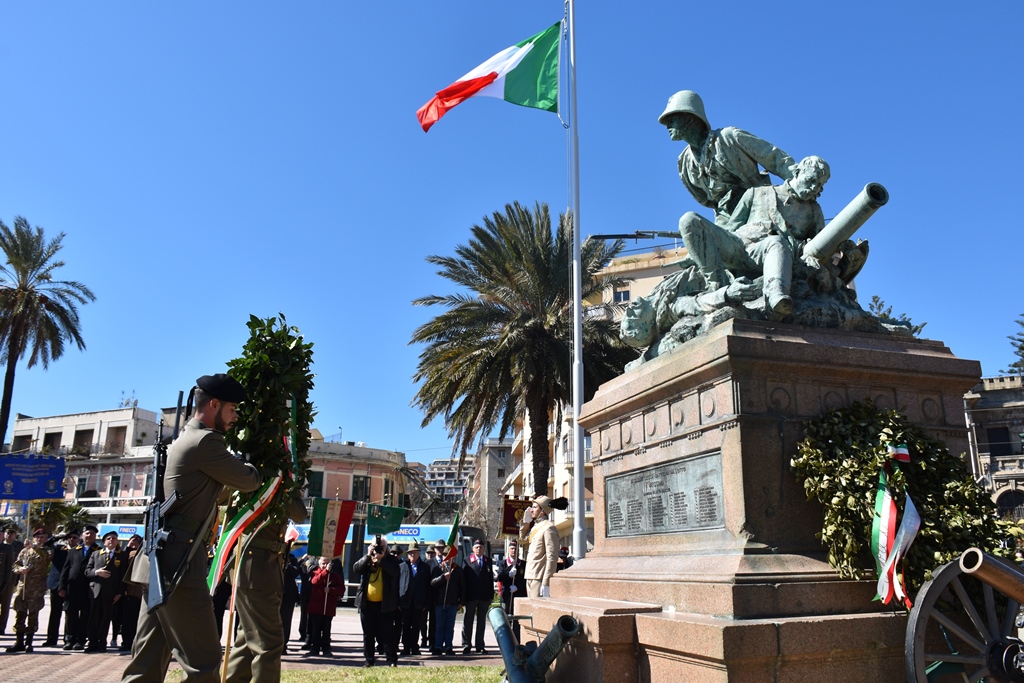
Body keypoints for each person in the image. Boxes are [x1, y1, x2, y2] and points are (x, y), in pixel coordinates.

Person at [122, 373, 262, 683]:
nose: (235, 417)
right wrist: (253, 463)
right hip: (180, 566)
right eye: (232, 409)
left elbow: (218, 493)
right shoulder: (206, 442)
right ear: (214, 404)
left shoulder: (186, 439)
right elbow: (249, 480)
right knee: (204, 664)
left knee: (145, 664)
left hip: (161, 560)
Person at [678, 156, 830, 316]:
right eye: (811, 180)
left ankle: (776, 295)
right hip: (738, 246)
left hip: (768, 254)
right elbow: (730, 228)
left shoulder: (814, 212)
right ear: (797, 172)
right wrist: (701, 246)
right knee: (689, 219)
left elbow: (821, 248)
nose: (815, 187)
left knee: (776, 241)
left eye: (820, 185)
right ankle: (717, 284)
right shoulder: (757, 192)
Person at [660, 89, 796, 226]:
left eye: (672, 119)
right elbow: (705, 200)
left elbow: (774, 158)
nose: (667, 125)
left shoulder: (729, 138)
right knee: (689, 223)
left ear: (689, 117)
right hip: (725, 222)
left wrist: (800, 181)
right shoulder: (684, 164)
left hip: (759, 211)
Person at [225, 495, 308, 683]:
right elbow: (300, 513)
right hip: (256, 569)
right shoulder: (261, 476)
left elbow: (299, 514)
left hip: (263, 569)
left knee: (246, 642)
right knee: (268, 644)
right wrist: (285, 486)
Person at [353, 535, 401, 668]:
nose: (379, 549)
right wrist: (368, 556)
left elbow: (395, 572)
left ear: (387, 548)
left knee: (387, 634)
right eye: (376, 546)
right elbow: (356, 569)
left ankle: (391, 661)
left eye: (382, 547)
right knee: (368, 634)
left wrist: (381, 560)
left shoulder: (391, 560)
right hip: (367, 604)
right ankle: (369, 660)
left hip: (385, 604)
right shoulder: (368, 558)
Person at [5, 528, 52, 653]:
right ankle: (19, 641)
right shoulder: (25, 551)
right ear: (33, 537)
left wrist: (34, 548)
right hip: (23, 588)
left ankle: (29, 642)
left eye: (42, 537)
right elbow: (15, 565)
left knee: (33, 615)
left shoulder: (47, 551)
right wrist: (20, 569)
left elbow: (45, 558)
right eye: (38, 537)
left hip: (36, 589)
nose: (40, 539)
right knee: (20, 614)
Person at [60, 523, 100, 650]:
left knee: (85, 615)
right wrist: (62, 586)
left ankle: (81, 640)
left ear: (95, 537)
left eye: (92, 534)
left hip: (87, 588)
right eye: (87, 533)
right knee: (70, 614)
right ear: (82, 536)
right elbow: (65, 570)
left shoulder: (98, 551)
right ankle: (69, 639)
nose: (89, 536)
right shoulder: (73, 550)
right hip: (72, 588)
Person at [85, 529, 126, 652]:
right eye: (108, 538)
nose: (111, 540)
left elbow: (123, 576)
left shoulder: (121, 555)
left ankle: (102, 643)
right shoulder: (96, 554)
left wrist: (119, 592)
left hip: (111, 593)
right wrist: (97, 572)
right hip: (95, 591)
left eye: (114, 538)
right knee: (93, 618)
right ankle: (92, 643)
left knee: (105, 619)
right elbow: (87, 571)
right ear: (104, 541)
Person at [518, 496, 566, 598]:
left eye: (535, 507)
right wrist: (526, 522)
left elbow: (552, 557)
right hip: (530, 574)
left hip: (539, 576)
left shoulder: (549, 528)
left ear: (543, 511)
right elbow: (522, 540)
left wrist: (546, 581)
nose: (531, 510)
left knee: (536, 611)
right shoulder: (536, 527)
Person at [42, 529, 78, 648]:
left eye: (75, 537)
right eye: (70, 537)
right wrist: (58, 536)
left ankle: (68, 639)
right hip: (56, 584)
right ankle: (51, 638)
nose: (72, 539)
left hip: (71, 586)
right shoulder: (59, 549)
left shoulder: (79, 551)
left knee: (70, 614)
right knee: (55, 613)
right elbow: (46, 544)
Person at [305, 556, 344, 656]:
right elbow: (315, 582)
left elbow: (341, 589)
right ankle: (315, 648)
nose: (325, 565)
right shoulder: (315, 573)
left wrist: (331, 591)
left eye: (327, 563)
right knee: (316, 630)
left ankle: (326, 648)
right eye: (323, 563)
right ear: (319, 564)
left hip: (328, 608)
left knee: (326, 630)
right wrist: (325, 572)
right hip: (316, 607)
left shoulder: (335, 576)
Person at [461, 539, 493, 654]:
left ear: (484, 549)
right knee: (467, 621)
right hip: (471, 596)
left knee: (481, 622)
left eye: (481, 547)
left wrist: (490, 596)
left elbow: (490, 579)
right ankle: (466, 644)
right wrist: (463, 597)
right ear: (473, 549)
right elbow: (463, 581)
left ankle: (479, 645)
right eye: (477, 547)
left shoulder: (487, 561)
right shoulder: (467, 561)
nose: (479, 549)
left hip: (484, 597)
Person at [430, 548, 463, 657]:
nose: (447, 559)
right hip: (440, 602)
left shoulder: (457, 570)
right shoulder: (438, 568)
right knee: (439, 626)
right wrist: (443, 577)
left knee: (450, 626)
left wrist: (461, 601)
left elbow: (462, 587)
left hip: (453, 602)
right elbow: (432, 583)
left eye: (450, 556)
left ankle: (449, 646)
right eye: (445, 556)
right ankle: (438, 646)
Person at [400, 543, 430, 656]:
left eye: (415, 552)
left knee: (416, 625)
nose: (413, 555)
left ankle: (415, 647)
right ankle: (406, 647)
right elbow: (399, 585)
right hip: (405, 602)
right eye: (410, 553)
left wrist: (426, 603)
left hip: (419, 602)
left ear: (419, 554)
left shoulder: (425, 568)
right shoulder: (402, 566)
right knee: (406, 625)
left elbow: (428, 587)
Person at [496, 539, 527, 642]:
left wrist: (517, 587)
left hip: (518, 595)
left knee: (517, 621)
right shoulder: (503, 563)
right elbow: (499, 577)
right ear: (509, 550)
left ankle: (516, 642)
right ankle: (507, 641)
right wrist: (508, 574)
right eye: (512, 548)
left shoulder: (523, 564)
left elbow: (525, 579)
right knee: (506, 620)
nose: (514, 551)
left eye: (516, 549)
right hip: (506, 596)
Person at [119, 534, 144, 652]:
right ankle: (127, 642)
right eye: (132, 540)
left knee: (133, 620)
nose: (134, 543)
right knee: (127, 620)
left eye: (136, 541)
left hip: (137, 593)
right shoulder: (124, 554)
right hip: (127, 592)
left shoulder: (137, 554)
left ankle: (130, 642)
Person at [0, 525, 25, 634]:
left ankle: (1, 626)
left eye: (12, 533)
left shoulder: (15, 546)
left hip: (8, 579)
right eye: (7, 533)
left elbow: (11, 564)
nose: (9, 535)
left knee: (5, 604)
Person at [280, 549, 300, 652]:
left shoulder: (292, 558)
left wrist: (285, 564)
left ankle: (283, 644)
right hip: (274, 593)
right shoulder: (272, 556)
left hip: (288, 595)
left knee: (286, 621)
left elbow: (296, 572)